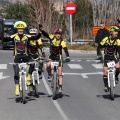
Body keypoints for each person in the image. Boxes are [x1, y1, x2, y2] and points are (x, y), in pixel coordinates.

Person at [9, 21, 41, 96]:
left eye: (22, 29)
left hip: (25, 56)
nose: (21, 30)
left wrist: (40, 31)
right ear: (17, 29)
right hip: (16, 57)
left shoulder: (27, 36)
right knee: (16, 72)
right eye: (19, 29)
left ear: (24, 30)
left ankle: (29, 78)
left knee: (33, 63)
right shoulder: (13, 37)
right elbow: (5, 38)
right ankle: (17, 87)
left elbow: (36, 37)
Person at [39, 25, 70, 93]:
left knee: (60, 72)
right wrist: (41, 29)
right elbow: (45, 34)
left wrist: (68, 57)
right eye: (57, 34)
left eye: (59, 34)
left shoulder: (62, 41)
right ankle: (49, 75)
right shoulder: (52, 37)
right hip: (52, 56)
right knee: (48, 65)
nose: (58, 35)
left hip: (59, 57)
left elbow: (65, 49)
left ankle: (60, 87)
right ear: (55, 34)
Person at [99, 26, 120, 92]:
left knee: (118, 66)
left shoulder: (118, 40)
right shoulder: (106, 39)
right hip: (106, 57)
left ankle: (116, 76)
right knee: (105, 72)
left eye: (117, 31)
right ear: (111, 32)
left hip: (114, 57)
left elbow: (119, 50)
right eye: (115, 31)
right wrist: (104, 44)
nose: (117, 33)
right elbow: (100, 45)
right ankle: (106, 86)